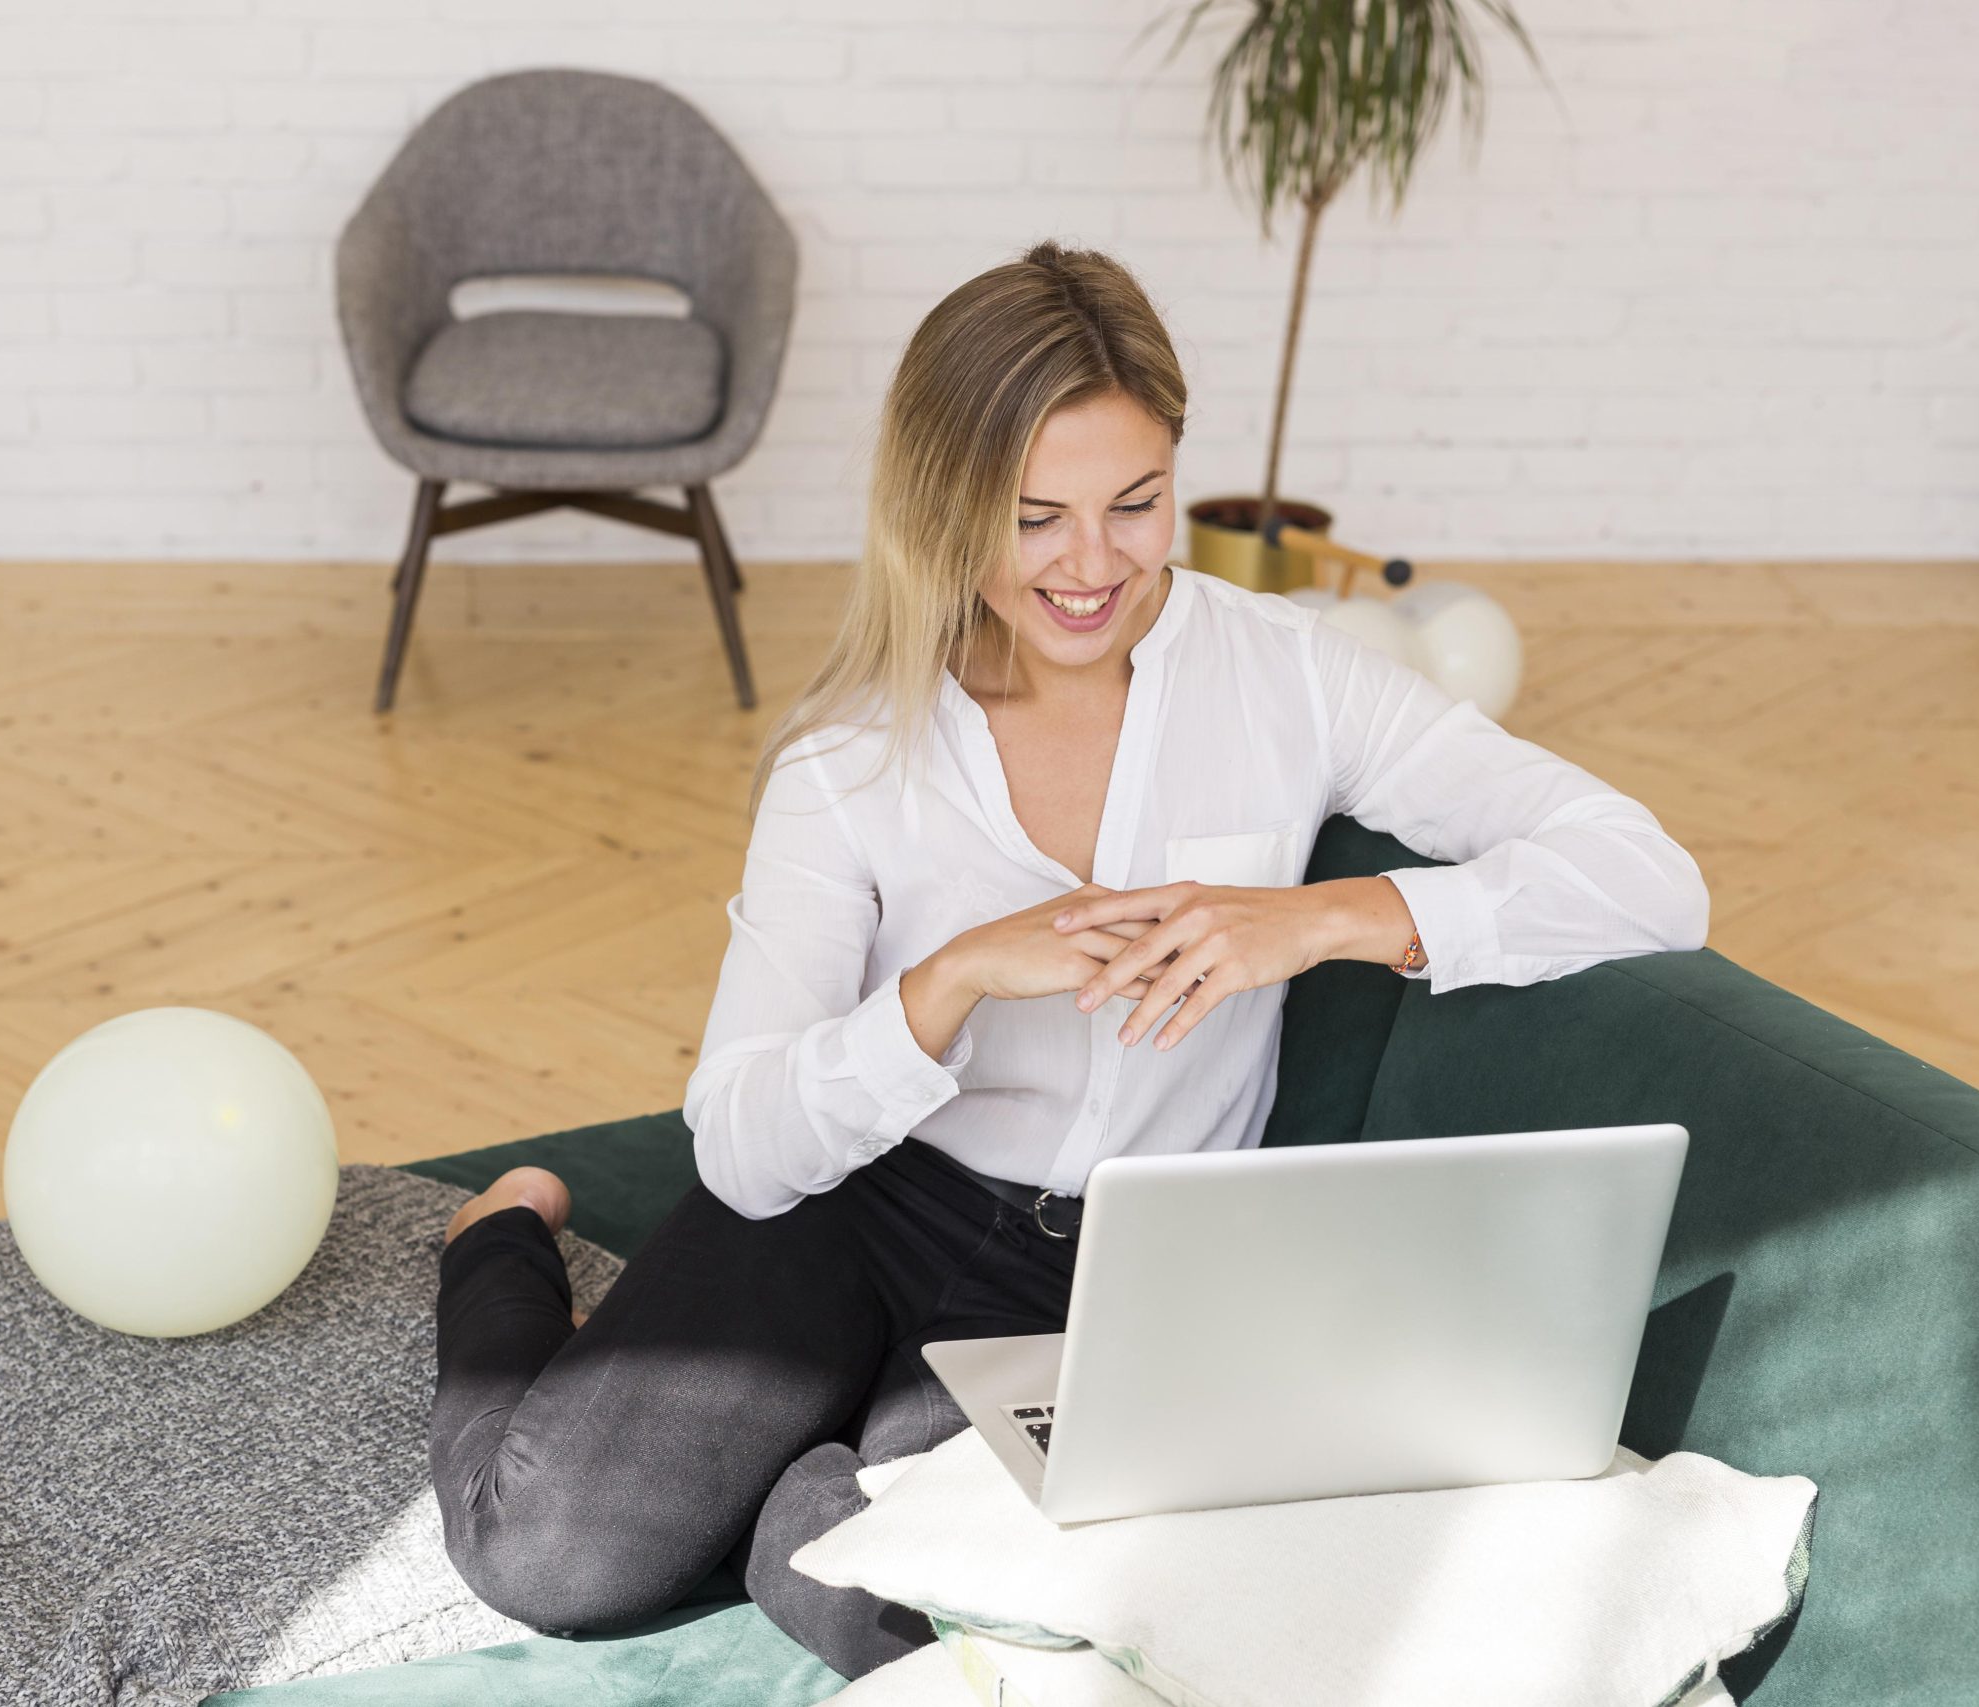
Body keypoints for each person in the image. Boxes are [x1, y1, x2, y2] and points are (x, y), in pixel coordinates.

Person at [425, 238, 1711, 1679]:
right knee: (548, 1557)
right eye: (1035, 517)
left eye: (1135, 504)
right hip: (854, 1202)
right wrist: (953, 979)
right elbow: (740, 1144)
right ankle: (500, 1244)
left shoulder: (1286, 673)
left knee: (947, 1618)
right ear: (944, 504)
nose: (1092, 566)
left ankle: (807, 1483)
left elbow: (1649, 878)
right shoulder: (851, 756)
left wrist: (1330, 922)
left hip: (1112, 1272)